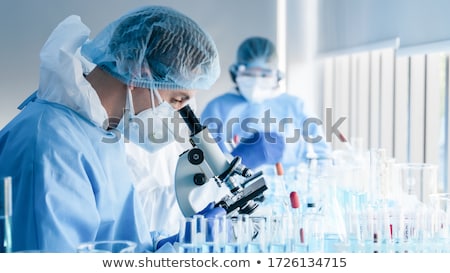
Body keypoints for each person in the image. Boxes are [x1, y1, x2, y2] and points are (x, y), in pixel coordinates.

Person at [0, 5, 224, 253]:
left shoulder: (103, 133)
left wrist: (169, 245)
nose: (175, 117)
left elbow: (112, 243)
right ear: (140, 73)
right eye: (177, 100)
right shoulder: (51, 144)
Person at [201, 36, 330, 172]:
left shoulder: (295, 106)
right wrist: (237, 161)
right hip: (231, 190)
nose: (256, 80)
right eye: (249, 74)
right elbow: (203, 165)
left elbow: (323, 158)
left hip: (289, 190)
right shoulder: (216, 108)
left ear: (276, 75)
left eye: (264, 74)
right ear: (236, 72)